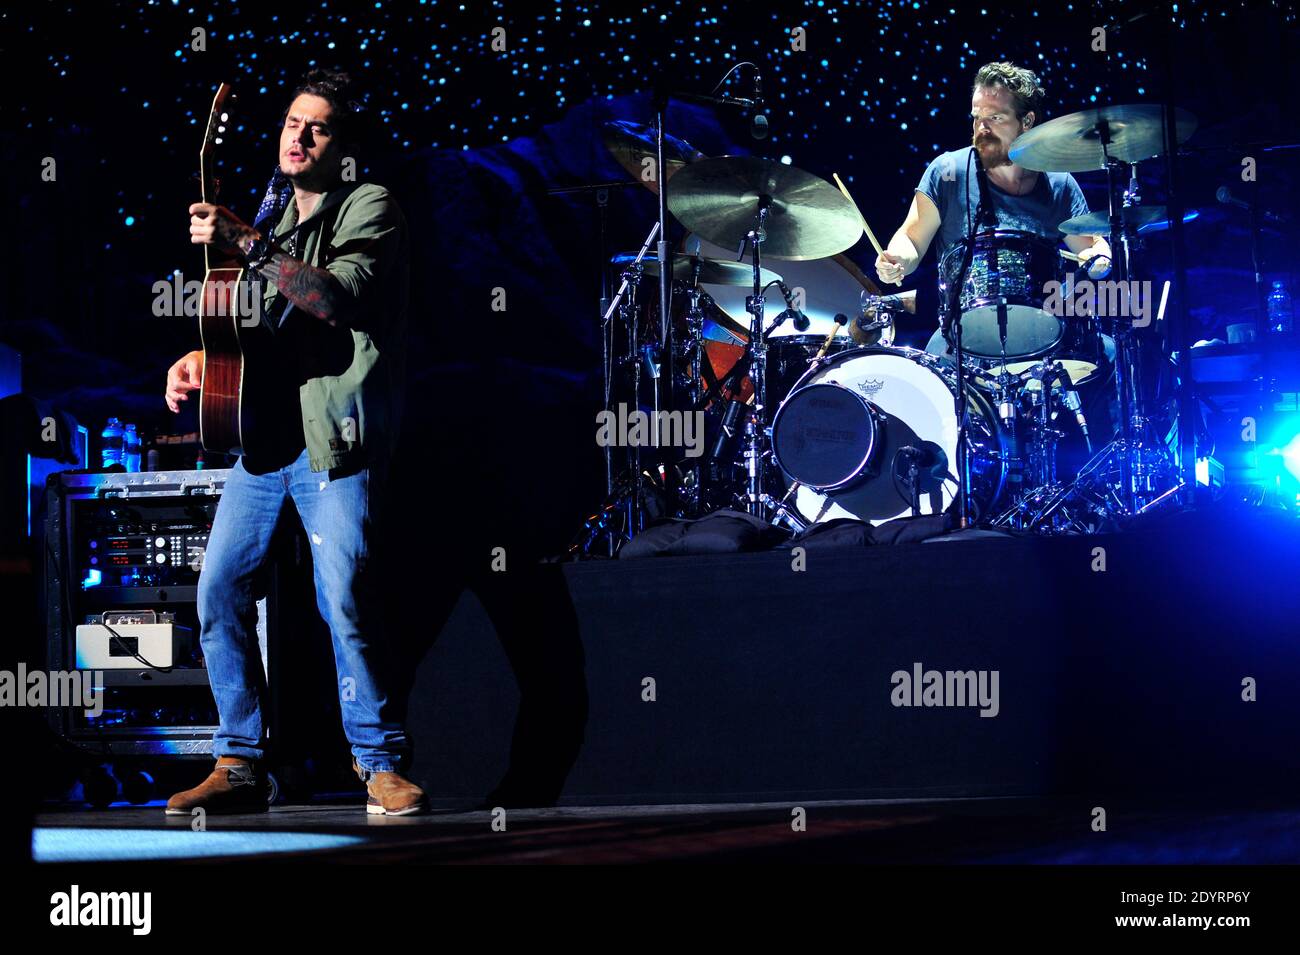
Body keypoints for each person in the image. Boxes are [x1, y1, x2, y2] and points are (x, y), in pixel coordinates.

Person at [163, 69, 426, 815]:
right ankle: (239, 760)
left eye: (317, 126)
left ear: (343, 145)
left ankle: (377, 763)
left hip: (332, 443)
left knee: (341, 595)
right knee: (216, 590)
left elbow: (331, 297)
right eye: (289, 122)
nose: (297, 136)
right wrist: (197, 361)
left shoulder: (369, 206)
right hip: (264, 445)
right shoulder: (273, 219)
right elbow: (250, 335)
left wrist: (245, 238)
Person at [875, 61, 1113, 357]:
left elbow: (1092, 247)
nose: (981, 129)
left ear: (1026, 121)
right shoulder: (948, 172)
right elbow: (911, 239)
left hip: (1039, 330)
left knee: (1107, 355)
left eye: (995, 118)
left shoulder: (1059, 184)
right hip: (961, 332)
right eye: (976, 118)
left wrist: (1100, 257)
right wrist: (896, 259)